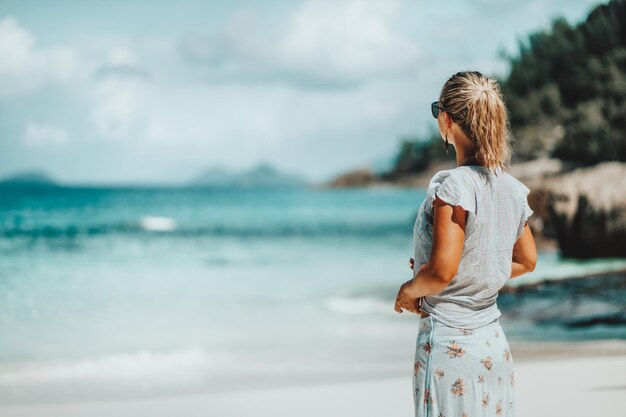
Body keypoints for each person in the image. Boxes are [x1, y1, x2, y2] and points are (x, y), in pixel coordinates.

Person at [393, 70, 537, 417]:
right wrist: (474, 272)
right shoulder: (511, 189)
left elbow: (442, 271)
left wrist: (409, 290)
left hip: (451, 347)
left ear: (447, 120)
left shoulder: (455, 186)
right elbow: (527, 260)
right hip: (492, 345)